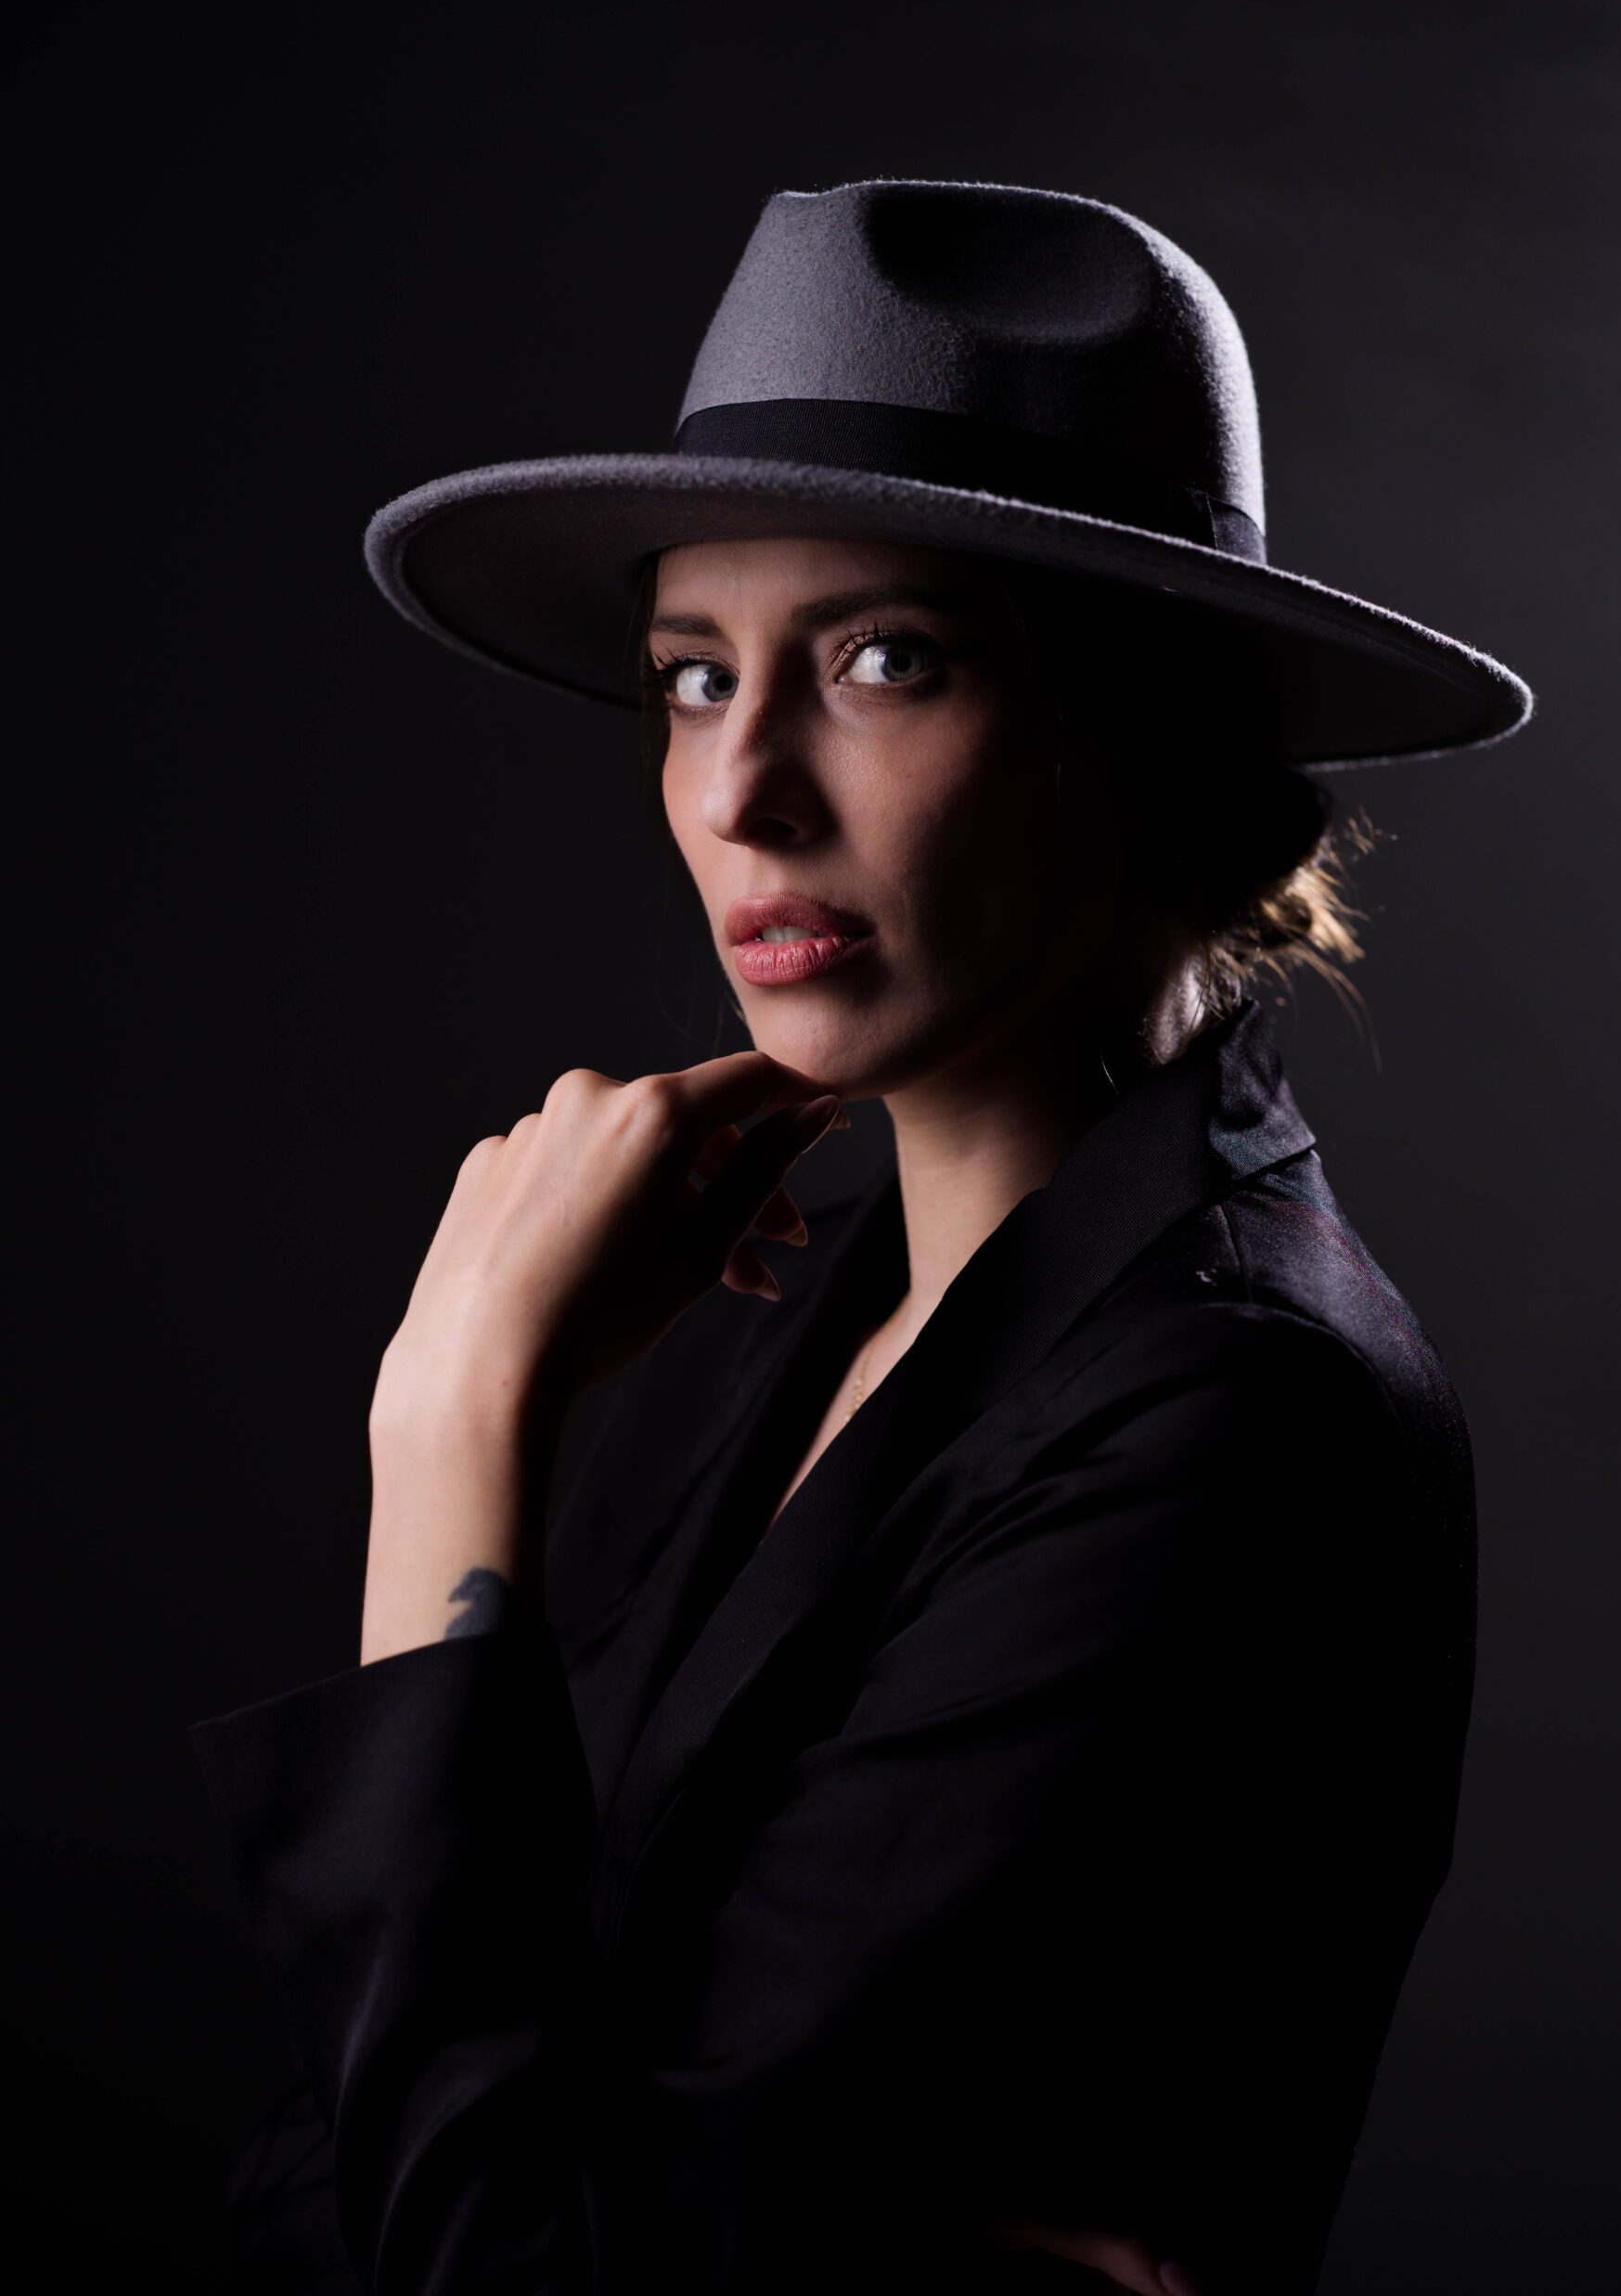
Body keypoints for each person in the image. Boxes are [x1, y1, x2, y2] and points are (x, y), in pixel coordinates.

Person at [196, 180, 1532, 2296]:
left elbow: (498, 2252)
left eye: (884, 659)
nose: (744, 789)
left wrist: (450, 1418)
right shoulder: (800, 1303)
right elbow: (370, 2154)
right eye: (690, 675)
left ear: (1155, 740)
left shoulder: (1234, 1413)